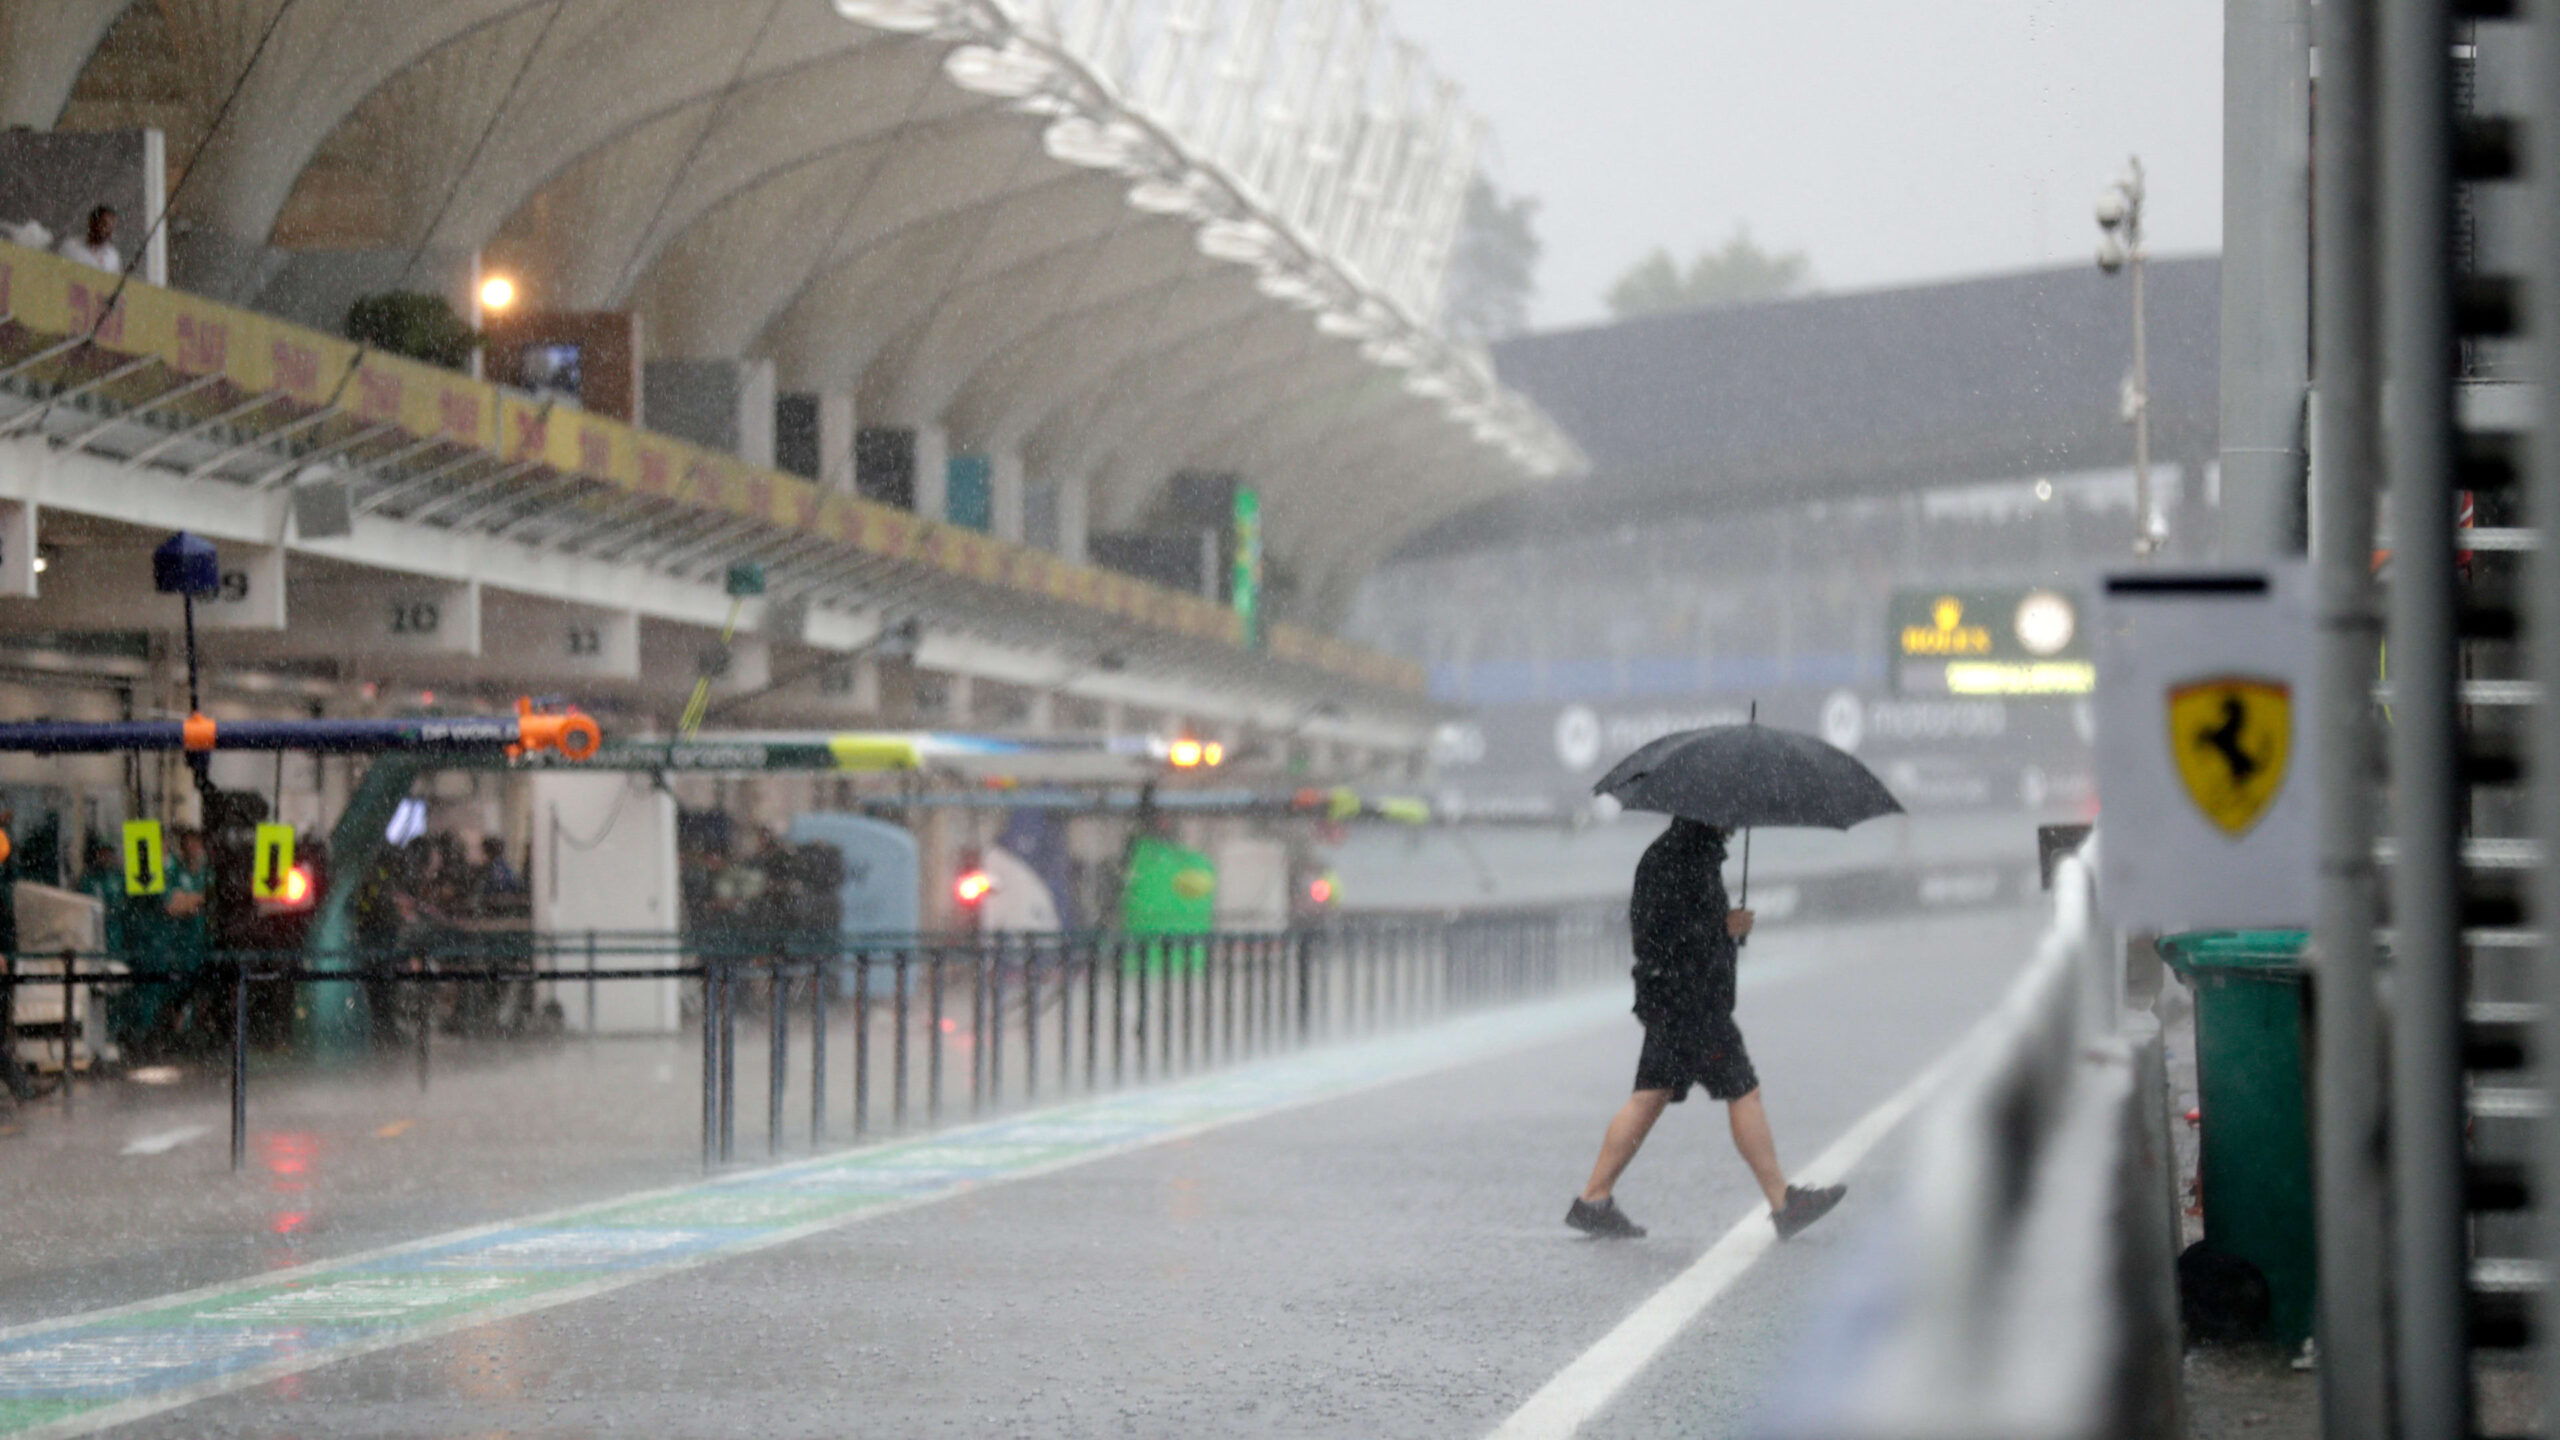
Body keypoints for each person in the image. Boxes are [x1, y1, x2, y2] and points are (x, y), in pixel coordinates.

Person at [1566, 819, 1846, 1242]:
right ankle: (1783, 1204)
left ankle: (1593, 1200)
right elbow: (1660, 937)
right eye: (1729, 817)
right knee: (1742, 1089)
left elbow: (1675, 931)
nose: (1734, 824)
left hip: (1677, 999)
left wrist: (1724, 928)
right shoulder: (1679, 857)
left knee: (1650, 1095)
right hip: (1689, 1004)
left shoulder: (1687, 851)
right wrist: (1723, 928)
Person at [54, 206, 119, 273]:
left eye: (111, 226)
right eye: (104, 224)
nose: (108, 230)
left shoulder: (113, 257)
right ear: (92, 222)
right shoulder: (70, 246)